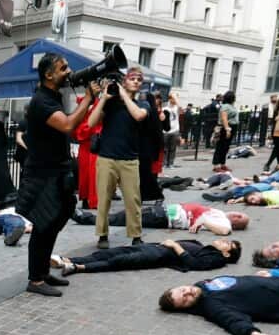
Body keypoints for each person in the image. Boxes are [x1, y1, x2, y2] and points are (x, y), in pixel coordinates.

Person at [16, 53, 96, 297]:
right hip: (43, 175)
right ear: (49, 74)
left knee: (54, 223)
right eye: (63, 68)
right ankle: (35, 280)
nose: (68, 71)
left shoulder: (52, 96)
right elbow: (68, 125)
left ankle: (42, 272)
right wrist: (89, 98)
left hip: (56, 172)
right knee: (43, 225)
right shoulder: (41, 101)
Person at [87, 67, 149, 249]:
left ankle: (136, 236)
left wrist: (123, 94)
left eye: (139, 79)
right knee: (104, 199)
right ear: (125, 81)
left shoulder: (143, 104)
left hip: (129, 159)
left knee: (133, 200)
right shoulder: (111, 103)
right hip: (107, 158)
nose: (136, 81)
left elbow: (138, 116)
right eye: (132, 78)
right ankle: (102, 235)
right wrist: (104, 98)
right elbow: (91, 123)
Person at [58, 237, 241, 275]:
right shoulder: (202, 245)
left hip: (159, 256)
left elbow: (194, 264)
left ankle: (78, 267)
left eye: (227, 244)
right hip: (154, 248)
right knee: (111, 252)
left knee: (119, 261)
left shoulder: (216, 259)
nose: (223, 241)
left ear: (226, 253)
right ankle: (71, 260)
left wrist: (175, 245)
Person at [72, 201, 249, 236]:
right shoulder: (221, 215)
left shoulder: (225, 223)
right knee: (123, 216)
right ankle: (87, 218)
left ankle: (85, 218)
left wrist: (203, 221)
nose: (236, 213)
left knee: (122, 218)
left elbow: (225, 231)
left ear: (237, 222)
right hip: (164, 212)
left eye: (239, 216)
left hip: (163, 217)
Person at [212, 90, 238, 171]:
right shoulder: (225, 106)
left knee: (226, 147)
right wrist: (227, 129)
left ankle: (222, 163)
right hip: (225, 128)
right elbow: (224, 118)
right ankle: (216, 165)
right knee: (220, 146)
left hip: (232, 127)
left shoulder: (231, 106)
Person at [163, 93, 182, 168]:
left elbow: (181, 108)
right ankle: (164, 163)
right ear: (170, 99)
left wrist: (176, 98)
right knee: (164, 148)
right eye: (173, 98)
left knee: (173, 148)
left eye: (176, 98)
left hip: (175, 130)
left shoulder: (177, 107)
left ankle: (170, 163)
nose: (175, 100)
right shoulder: (165, 106)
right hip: (165, 131)